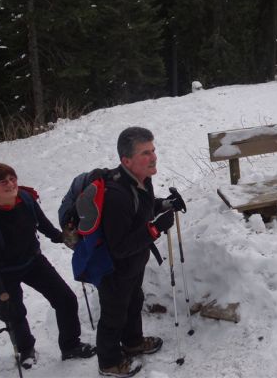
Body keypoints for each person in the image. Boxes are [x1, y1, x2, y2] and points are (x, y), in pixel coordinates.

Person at [0, 162, 96, 369]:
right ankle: (26, 350)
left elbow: (42, 225)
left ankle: (70, 346)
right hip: (4, 271)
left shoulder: (25, 199)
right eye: (2, 182)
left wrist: (66, 238)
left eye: (12, 178)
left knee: (66, 299)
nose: (10, 184)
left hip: (33, 261)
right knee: (15, 314)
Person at [96, 127, 175, 378]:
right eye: (145, 153)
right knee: (113, 315)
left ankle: (132, 342)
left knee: (134, 302)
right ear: (126, 160)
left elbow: (142, 209)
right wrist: (155, 230)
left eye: (153, 150)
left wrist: (164, 204)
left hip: (133, 263)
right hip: (114, 269)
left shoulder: (141, 179)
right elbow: (119, 247)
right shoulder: (116, 196)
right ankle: (108, 363)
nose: (153, 157)